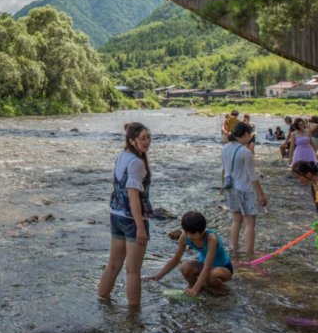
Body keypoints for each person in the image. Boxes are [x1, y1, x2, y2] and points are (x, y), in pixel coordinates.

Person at [98, 122, 153, 308]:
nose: (147, 142)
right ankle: (133, 314)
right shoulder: (137, 162)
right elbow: (133, 194)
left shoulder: (123, 155)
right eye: (142, 139)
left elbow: (116, 183)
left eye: (148, 138)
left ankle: (102, 300)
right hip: (132, 219)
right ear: (132, 140)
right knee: (133, 270)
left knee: (113, 265)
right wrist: (140, 227)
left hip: (116, 214)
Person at [148, 211, 233, 296]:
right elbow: (175, 260)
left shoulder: (211, 239)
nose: (189, 236)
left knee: (211, 276)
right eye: (186, 232)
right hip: (204, 265)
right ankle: (198, 288)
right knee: (185, 267)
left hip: (223, 268)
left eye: (192, 233)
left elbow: (207, 268)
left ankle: (223, 292)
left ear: (202, 231)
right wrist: (157, 277)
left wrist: (195, 289)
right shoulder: (184, 237)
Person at [221, 122, 267, 259]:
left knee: (236, 220)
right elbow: (252, 176)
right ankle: (250, 252)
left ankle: (234, 249)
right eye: (250, 135)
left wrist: (221, 185)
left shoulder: (225, 148)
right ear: (245, 134)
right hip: (245, 189)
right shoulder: (245, 152)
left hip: (230, 188)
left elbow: (224, 169)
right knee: (250, 223)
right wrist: (261, 195)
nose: (251, 137)